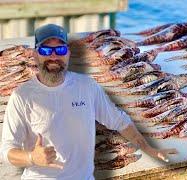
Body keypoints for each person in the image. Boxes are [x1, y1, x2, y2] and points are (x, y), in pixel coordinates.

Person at [0, 24, 177, 179]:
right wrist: (32, 157)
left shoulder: (86, 86)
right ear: (36, 55)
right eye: (46, 51)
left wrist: (149, 149)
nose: (53, 56)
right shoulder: (22, 95)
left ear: (68, 54)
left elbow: (119, 120)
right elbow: (6, 151)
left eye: (60, 50)